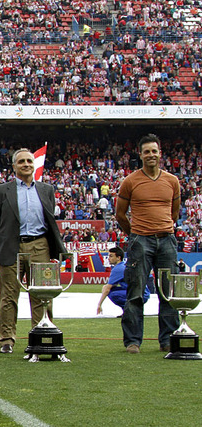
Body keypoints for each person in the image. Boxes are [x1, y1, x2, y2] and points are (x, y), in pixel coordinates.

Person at [0, 148, 66, 354]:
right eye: (21, 161)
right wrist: (9, 236)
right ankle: (7, 339)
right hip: (11, 246)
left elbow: (49, 219)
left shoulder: (46, 189)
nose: (26, 164)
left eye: (29, 161)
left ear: (35, 164)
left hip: (40, 245)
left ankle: (41, 333)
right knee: (8, 295)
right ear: (14, 166)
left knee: (42, 294)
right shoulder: (2, 190)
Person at [115, 133, 181, 354]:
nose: (151, 155)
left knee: (168, 292)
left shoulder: (172, 181)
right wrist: (134, 234)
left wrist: (163, 228)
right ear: (140, 155)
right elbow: (120, 214)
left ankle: (168, 339)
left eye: (154, 151)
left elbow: (174, 213)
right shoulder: (130, 181)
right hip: (140, 240)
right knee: (135, 291)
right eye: (147, 151)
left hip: (166, 240)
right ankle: (133, 341)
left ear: (160, 153)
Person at [97, 247, 150, 315]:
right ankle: (131, 310)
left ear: (118, 258)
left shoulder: (117, 269)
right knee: (110, 289)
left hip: (139, 295)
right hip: (143, 293)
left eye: (111, 256)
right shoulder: (125, 265)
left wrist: (99, 305)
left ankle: (130, 311)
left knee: (112, 293)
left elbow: (107, 289)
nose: (108, 258)